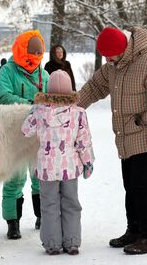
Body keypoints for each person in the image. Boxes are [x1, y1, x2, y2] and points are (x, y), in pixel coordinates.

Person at [77, 26, 147, 255]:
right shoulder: (115, 66)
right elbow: (95, 87)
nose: (108, 60)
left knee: (145, 187)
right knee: (131, 186)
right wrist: (71, 108)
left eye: (111, 55)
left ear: (124, 48)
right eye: (105, 56)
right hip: (126, 138)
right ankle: (135, 230)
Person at [21, 70, 94, 255]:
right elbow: (83, 141)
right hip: (69, 167)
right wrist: (88, 162)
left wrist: (32, 111)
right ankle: (72, 242)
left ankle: (52, 243)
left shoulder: (39, 111)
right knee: (71, 203)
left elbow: (25, 131)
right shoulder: (78, 113)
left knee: (49, 205)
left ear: (48, 90)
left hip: (46, 168)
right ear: (70, 91)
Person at [0, 30, 49, 239]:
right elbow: (3, 96)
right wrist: (31, 105)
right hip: (12, 134)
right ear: (21, 50)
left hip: (38, 134)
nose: (35, 58)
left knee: (40, 177)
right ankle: (12, 222)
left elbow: (50, 97)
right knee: (15, 179)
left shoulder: (43, 74)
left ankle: (42, 216)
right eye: (31, 53)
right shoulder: (7, 71)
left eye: (38, 54)